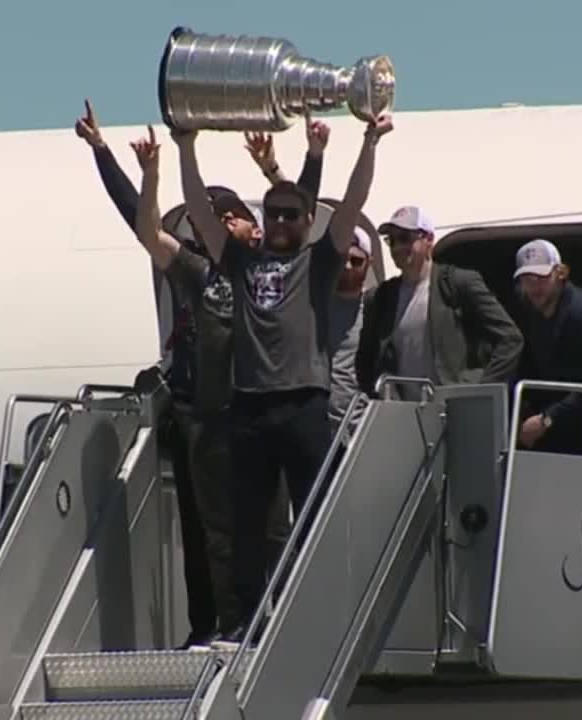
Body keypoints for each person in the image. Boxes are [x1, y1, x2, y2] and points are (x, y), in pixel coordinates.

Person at [74, 101, 312, 648]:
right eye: (216, 214)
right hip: (206, 418)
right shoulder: (198, 272)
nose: (223, 221)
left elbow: (306, 222)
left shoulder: (278, 269)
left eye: (234, 214)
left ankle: (274, 618)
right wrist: (114, 157)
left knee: (273, 525)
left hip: (260, 414)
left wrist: (279, 169)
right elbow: (144, 225)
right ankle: (227, 623)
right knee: (216, 532)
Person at [173, 112, 394, 646]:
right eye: (272, 213)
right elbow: (201, 214)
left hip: (303, 405)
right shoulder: (242, 263)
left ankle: (323, 614)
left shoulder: (318, 263)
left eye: (290, 215)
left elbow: (354, 201)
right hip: (250, 408)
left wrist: (367, 142)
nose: (278, 221)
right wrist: (186, 148)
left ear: (305, 221)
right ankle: (247, 621)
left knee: (313, 517)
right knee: (248, 527)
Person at [356, 205, 524, 401]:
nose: (398, 248)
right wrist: (379, 392)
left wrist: (478, 386)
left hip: (455, 408)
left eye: (405, 238)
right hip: (403, 414)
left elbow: (511, 339)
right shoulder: (381, 297)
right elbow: (365, 361)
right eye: (391, 241)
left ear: (428, 240)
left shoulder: (459, 283)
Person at [511, 238, 582, 456]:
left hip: (578, 422)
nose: (533, 287)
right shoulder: (525, 305)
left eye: (541, 278)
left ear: (561, 273)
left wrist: (548, 419)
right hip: (543, 413)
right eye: (526, 279)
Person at [328, 226, 373, 436]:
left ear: (368, 264)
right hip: (318, 427)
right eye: (341, 259)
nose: (347, 266)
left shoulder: (376, 310)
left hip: (360, 427)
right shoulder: (313, 305)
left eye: (356, 261)